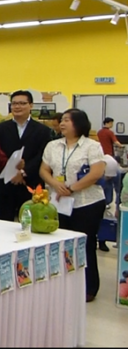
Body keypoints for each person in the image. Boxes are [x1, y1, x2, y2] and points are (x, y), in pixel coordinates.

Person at [40, 108, 106, 302]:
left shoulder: (92, 146)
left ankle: (89, 287)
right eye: (62, 120)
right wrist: (55, 184)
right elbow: (44, 170)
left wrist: (71, 188)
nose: (62, 123)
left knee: (85, 244)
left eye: (67, 120)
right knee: (61, 243)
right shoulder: (53, 145)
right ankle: (63, 285)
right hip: (59, 202)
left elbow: (96, 172)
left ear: (79, 123)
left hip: (87, 202)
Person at [0, 90, 52, 221]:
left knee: (31, 221)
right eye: (14, 103)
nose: (17, 107)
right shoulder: (2, 128)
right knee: (3, 222)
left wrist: (24, 172)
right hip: (5, 183)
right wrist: (12, 171)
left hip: (31, 183)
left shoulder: (43, 130)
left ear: (31, 105)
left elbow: (42, 155)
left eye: (22, 103)